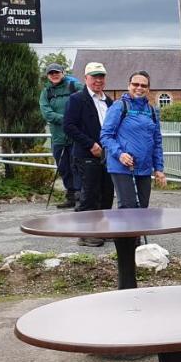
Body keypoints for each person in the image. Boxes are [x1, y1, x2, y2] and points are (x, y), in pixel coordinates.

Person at [64, 62, 114, 245]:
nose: (98, 80)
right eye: (94, 77)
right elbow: (68, 126)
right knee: (89, 194)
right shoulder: (77, 99)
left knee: (107, 192)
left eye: (101, 76)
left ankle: (101, 229)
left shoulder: (108, 101)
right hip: (86, 155)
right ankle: (85, 233)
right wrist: (90, 143)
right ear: (86, 78)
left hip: (107, 156)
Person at [100, 71, 166, 209]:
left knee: (143, 208)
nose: (139, 88)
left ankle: (139, 232)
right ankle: (125, 231)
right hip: (121, 166)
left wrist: (159, 168)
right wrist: (120, 154)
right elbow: (105, 136)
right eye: (135, 84)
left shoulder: (152, 111)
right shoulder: (119, 106)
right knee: (128, 207)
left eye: (143, 85)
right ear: (129, 86)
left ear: (148, 89)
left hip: (144, 167)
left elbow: (157, 141)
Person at [38, 63, 84, 209]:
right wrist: (67, 120)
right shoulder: (47, 92)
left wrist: (73, 121)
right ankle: (70, 195)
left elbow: (86, 97)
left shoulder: (74, 86)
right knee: (63, 167)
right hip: (58, 137)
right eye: (51, 73)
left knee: (77, 165)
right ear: (48, 76)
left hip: (76, 136)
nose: (54, 75)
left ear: (63, 73)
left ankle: (80, 195)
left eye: (57, 72)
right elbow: (47, 113)